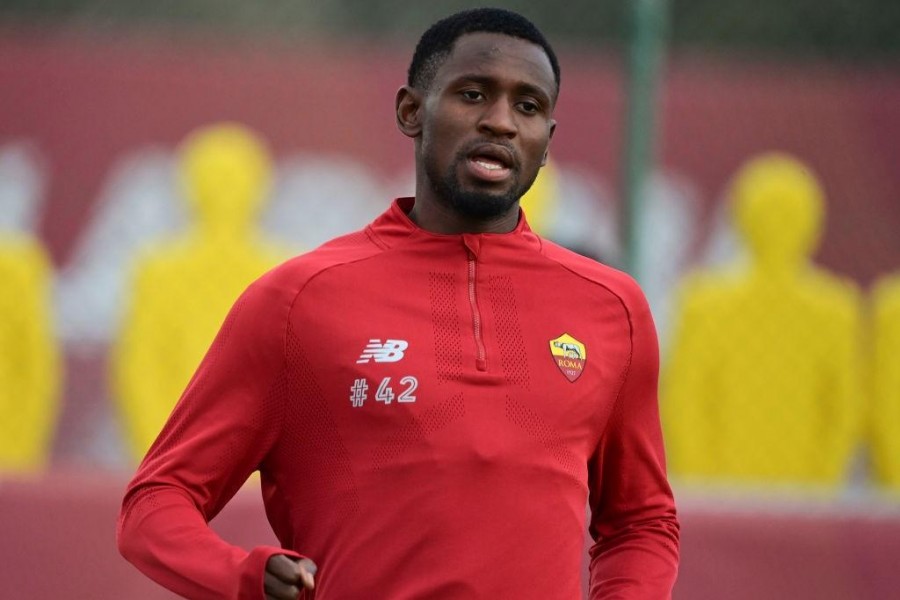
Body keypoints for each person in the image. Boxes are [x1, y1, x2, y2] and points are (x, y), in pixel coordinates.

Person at [117, 8, 679, 599]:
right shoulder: (298, 302)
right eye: (473, 94)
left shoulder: (613, 308)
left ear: (546, 142)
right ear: (412, 112)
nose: (501, 122)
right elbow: (154, 505)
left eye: (528, 106)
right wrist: (244, 577)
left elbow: (642, 522)